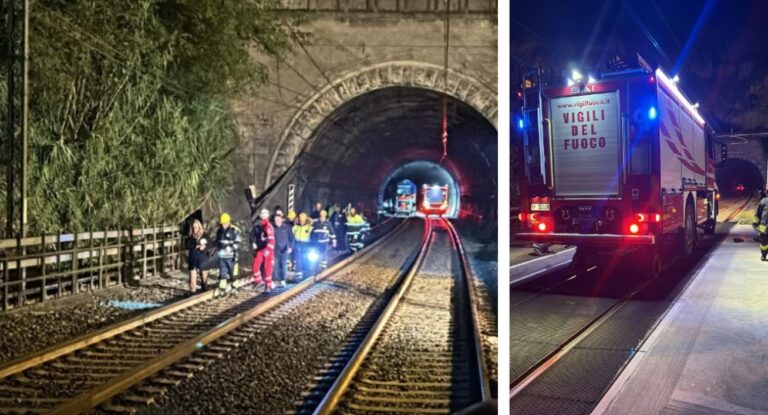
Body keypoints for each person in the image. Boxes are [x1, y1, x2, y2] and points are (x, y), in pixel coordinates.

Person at [215, 213, 241, 294]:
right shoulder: (219, 231)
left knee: (233, 273)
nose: (223, 225)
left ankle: (235, 287)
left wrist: (231, 247)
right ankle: (222, 288)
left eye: (225, 223)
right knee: (223, 272)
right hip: (222, 256)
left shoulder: (234, 230)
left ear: (228, 222)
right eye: (222, 224)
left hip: (232, 256)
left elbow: (238, 242)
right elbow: (217, 242)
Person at [250, 208, 275, 291]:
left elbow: (271, 240)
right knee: (255, 265)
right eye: (262, 215)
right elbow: (253, 235)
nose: (263, 216)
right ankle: (258, 281)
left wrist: (268, 250)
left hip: (267, 250)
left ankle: (268, 285)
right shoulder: (259, 225)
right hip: (260, 249)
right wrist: (254, 243)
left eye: (265, 215)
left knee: (267, 268)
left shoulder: (268, 226)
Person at [187, 219, 210, 293]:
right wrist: (196, 246)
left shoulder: (205, 236)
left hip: (202, 257)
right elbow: (187, 245)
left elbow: (211, 244)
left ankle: (204, 287)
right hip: (193, 258)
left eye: (196, 227)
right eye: (193, 227)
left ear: (199, 227)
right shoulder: (190, 237)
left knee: (204, 274)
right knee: (192, 274)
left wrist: (204, 247)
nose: (194, 229)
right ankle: (193, 290)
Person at [272, 212, 294, 287]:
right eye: (276, 220)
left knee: (283, 265)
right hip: (275, 250)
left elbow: (291, 238)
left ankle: (283, 280)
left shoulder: (287, 228)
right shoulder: (272, 228)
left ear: (281, 220)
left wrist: (290, 247)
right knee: (275, 265)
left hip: (284, 249)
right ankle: (275, 280)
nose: (277, 221)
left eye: (278, 219)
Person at [292, 212, 313, 280]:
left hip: (306, 245)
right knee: (298, 260)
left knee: (306, 259)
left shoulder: (309, 227)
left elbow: (312, 235)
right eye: (300, 220)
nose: (302, 221)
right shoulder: (295, 227)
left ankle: (307, 272)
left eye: (303, 220)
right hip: (297, 244)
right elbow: (292, 236)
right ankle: (299, 274)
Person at [753, 191, 768, 261]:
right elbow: (757, 214)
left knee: (763, 243)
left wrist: (755, 224)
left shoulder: (763, 201)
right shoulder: (763, 201)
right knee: (763, 243)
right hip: (764, 227)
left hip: (764, 227)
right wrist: (755, 223)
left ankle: (763, 255)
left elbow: (757, 214)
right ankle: (764, 255)